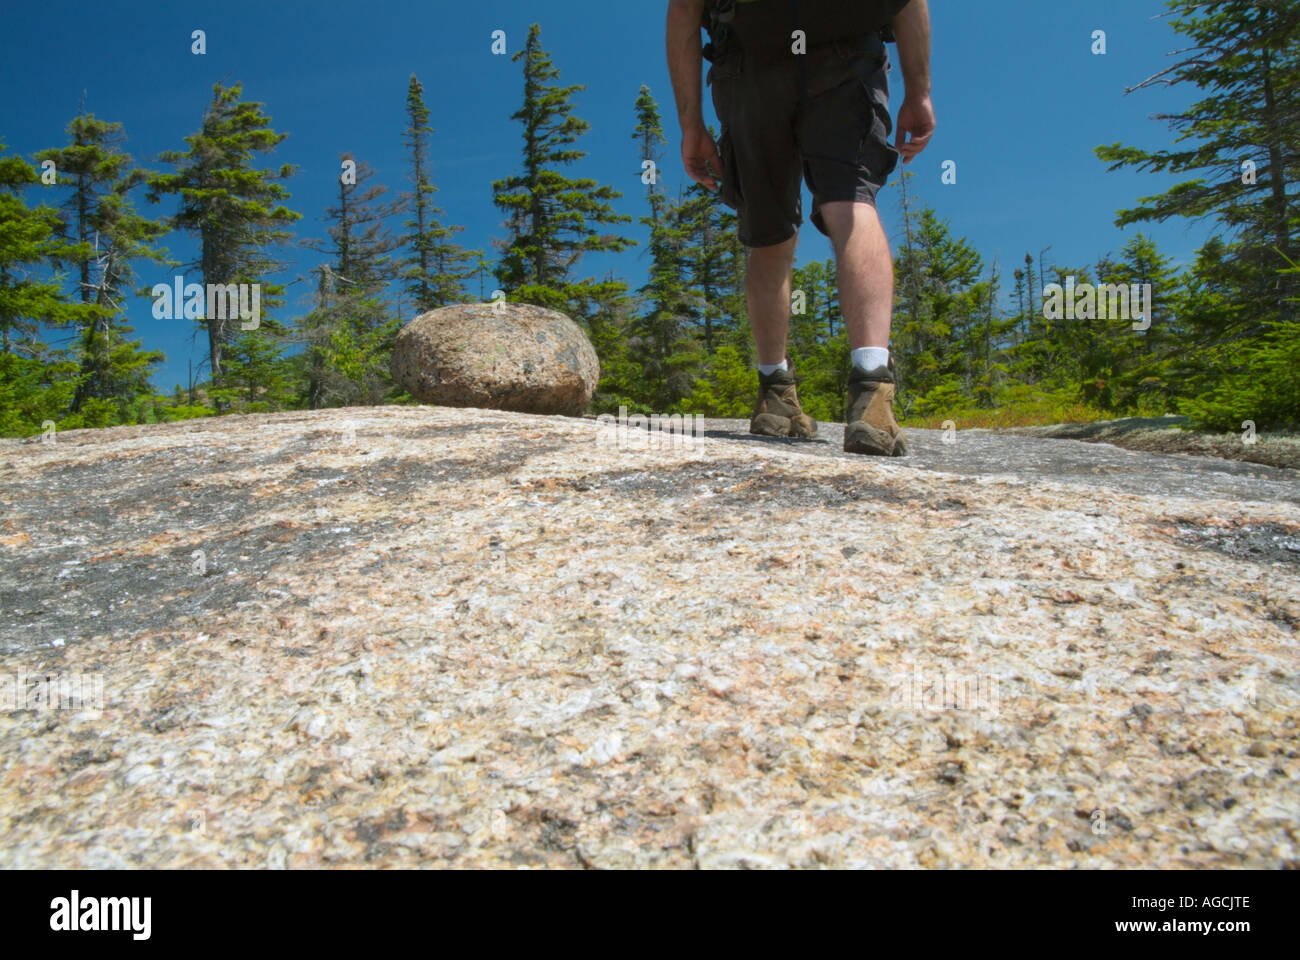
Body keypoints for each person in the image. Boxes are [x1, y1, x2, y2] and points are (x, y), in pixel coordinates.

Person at [665, 0, 934, 456]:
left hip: (751, 59)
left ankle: (775, 392)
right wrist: (919, 90)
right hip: (845, 49)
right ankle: (871, 393)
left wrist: (691, 124)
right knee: (850, 203)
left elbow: (684, 11)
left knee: (769, 233)